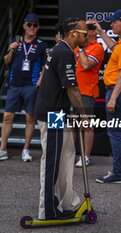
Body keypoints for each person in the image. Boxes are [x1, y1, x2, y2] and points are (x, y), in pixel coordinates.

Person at [35, 17, 88, 220]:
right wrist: (83, 115)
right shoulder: (64, 52)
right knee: (52, 160)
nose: (88, 36)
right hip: (52, 114)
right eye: (85, 33)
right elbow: (72, 89)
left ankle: (68, 203)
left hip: (57, 112)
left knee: (66, 155)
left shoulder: (62, 49)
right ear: (74, 34)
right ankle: (47, 210)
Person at [0, 13, 48, 162]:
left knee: (29, 117)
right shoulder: (16, 42)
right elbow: (6, 61)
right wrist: (12, 49)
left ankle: (25, 149)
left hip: (31, 86)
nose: (32, 27)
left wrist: (40, 80)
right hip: (14, 85)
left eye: (35, 25)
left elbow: (45, 66)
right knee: (7, 116)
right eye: (29, 25)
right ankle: (2, 149)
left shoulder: (41, 44)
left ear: (38, 27)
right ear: (24, 26)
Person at [93, 9, 121, 184]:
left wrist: (113, 98)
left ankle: (119, 173)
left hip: (118, 92)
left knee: (115, 133)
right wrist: (101, 32)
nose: (111, 24)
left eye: (114, 22)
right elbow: (113, 47)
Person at [71, 19, 105, 167]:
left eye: (88, 27)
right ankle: (70, 154)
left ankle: (86, 157)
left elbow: (85, 65)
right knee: (71, 124)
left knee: (86, 125)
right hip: (72, 90)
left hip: (86, 92)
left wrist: (82, 48)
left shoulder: (97, 48)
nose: (84, 30)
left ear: (93, 31)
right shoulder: (76, 47)